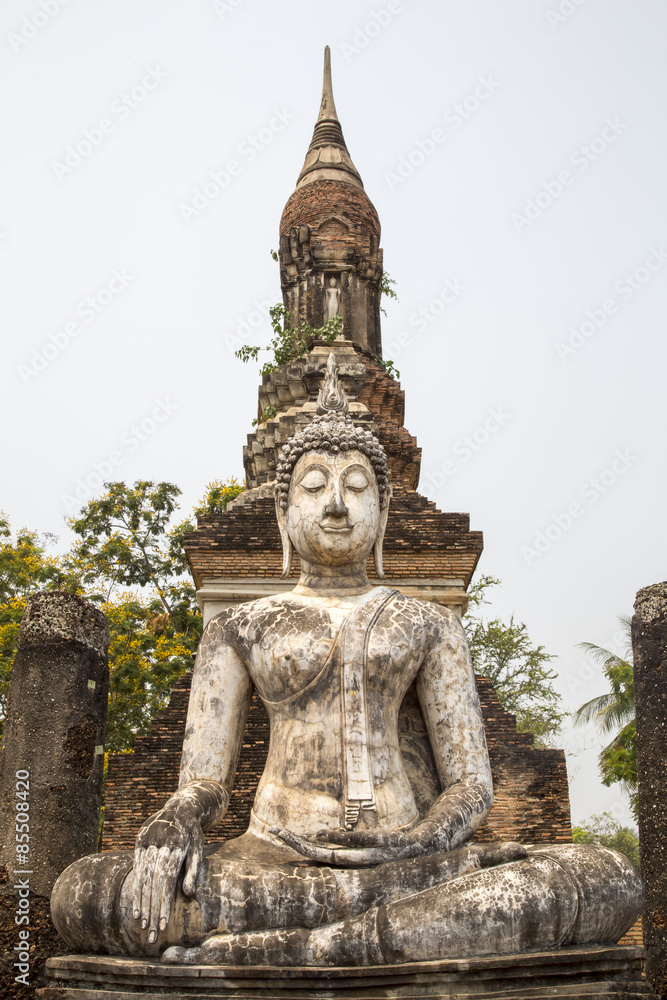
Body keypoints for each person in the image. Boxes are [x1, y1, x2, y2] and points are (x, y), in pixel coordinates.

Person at [51, 356, 642, 966]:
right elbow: (206, 780)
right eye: (313, 487)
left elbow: (470, 786)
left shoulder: (428, 622)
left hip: (412, 864)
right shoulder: (239, 625)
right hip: (272, 863)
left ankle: (308, 948)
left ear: (383, 512)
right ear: (284, 513)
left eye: (357, 486)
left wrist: (418, 841)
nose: (336, 504)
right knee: (88, 894)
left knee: (604, 878)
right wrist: (177, 817)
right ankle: (368, 938)